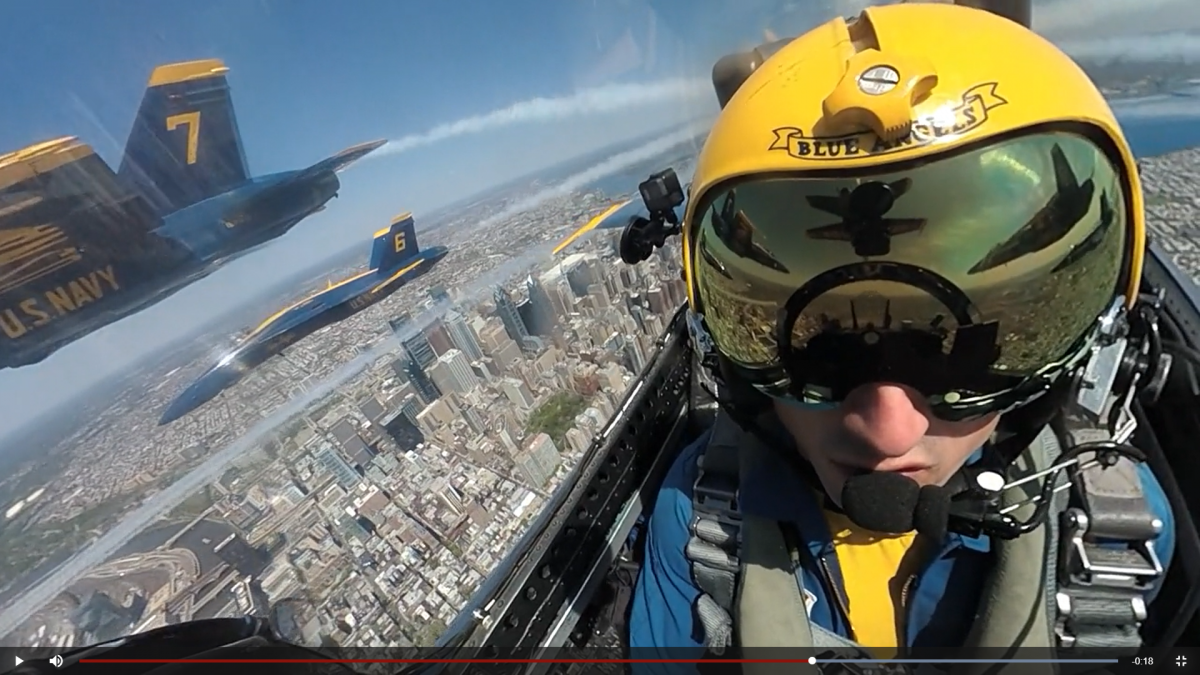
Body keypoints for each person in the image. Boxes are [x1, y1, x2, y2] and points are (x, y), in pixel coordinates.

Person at [626, 1, 1177, 668]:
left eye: (948, 350)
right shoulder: (696, 527)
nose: (887, 430)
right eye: (820, 352)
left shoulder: (1119, 538)